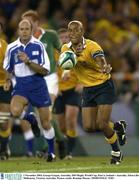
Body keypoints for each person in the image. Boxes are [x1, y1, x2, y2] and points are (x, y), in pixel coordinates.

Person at [60, 20, 127, 164]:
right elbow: (67, 64)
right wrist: (72, 62)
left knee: (102, 123)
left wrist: (104, 67)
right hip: (88, 89)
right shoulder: (65, 48)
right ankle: (117, 126)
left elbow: (100, 59)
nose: (72, 33)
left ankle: (116, 152)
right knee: (89, 126)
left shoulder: (92, 45)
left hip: (104, 86)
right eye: (70, 30)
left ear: (82, 32)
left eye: (76, 30)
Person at [3, 19, 55, 162]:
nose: (24, 31)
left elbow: (45, 70)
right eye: (21, 29)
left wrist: (28, 62)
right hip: (21, 86)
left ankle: (51, 152)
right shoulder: (12, 47)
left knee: (45, 123)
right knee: (15, 111)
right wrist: (8, 80)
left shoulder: (39, 46)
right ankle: (30, 118)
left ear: (31, 30)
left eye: (27, 29)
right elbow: (8, 68)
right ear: (18, 30)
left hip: (38, 85)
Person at [21, 10, 66, 159]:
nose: (26, 26)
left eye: (28, 22)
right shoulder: (23, 40)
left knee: (47, 111)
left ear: (36, 23)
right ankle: (61, 140)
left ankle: (46, 148)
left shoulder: (51, 35)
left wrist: (68, 67)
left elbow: (62, 50)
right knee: (42, 117)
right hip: (34, 81)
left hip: (50, 78)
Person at [53, 28, 82, 159]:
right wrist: (54, 87)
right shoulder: (53, 53)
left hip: (73, 90)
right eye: (62, 38)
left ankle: (70, 152)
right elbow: (50, 72)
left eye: (66, 37)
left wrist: (81, 83)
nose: (64, 40)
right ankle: (63, 149)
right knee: (61, 126)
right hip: (58, 91)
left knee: (71, 119)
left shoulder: (77, 52)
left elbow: (84, 68)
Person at [0, 22, 11, 160]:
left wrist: (8, 81)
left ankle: (3, 148)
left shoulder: (6, 47)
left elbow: (9, 67)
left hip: (3, 85)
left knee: (3, 121)